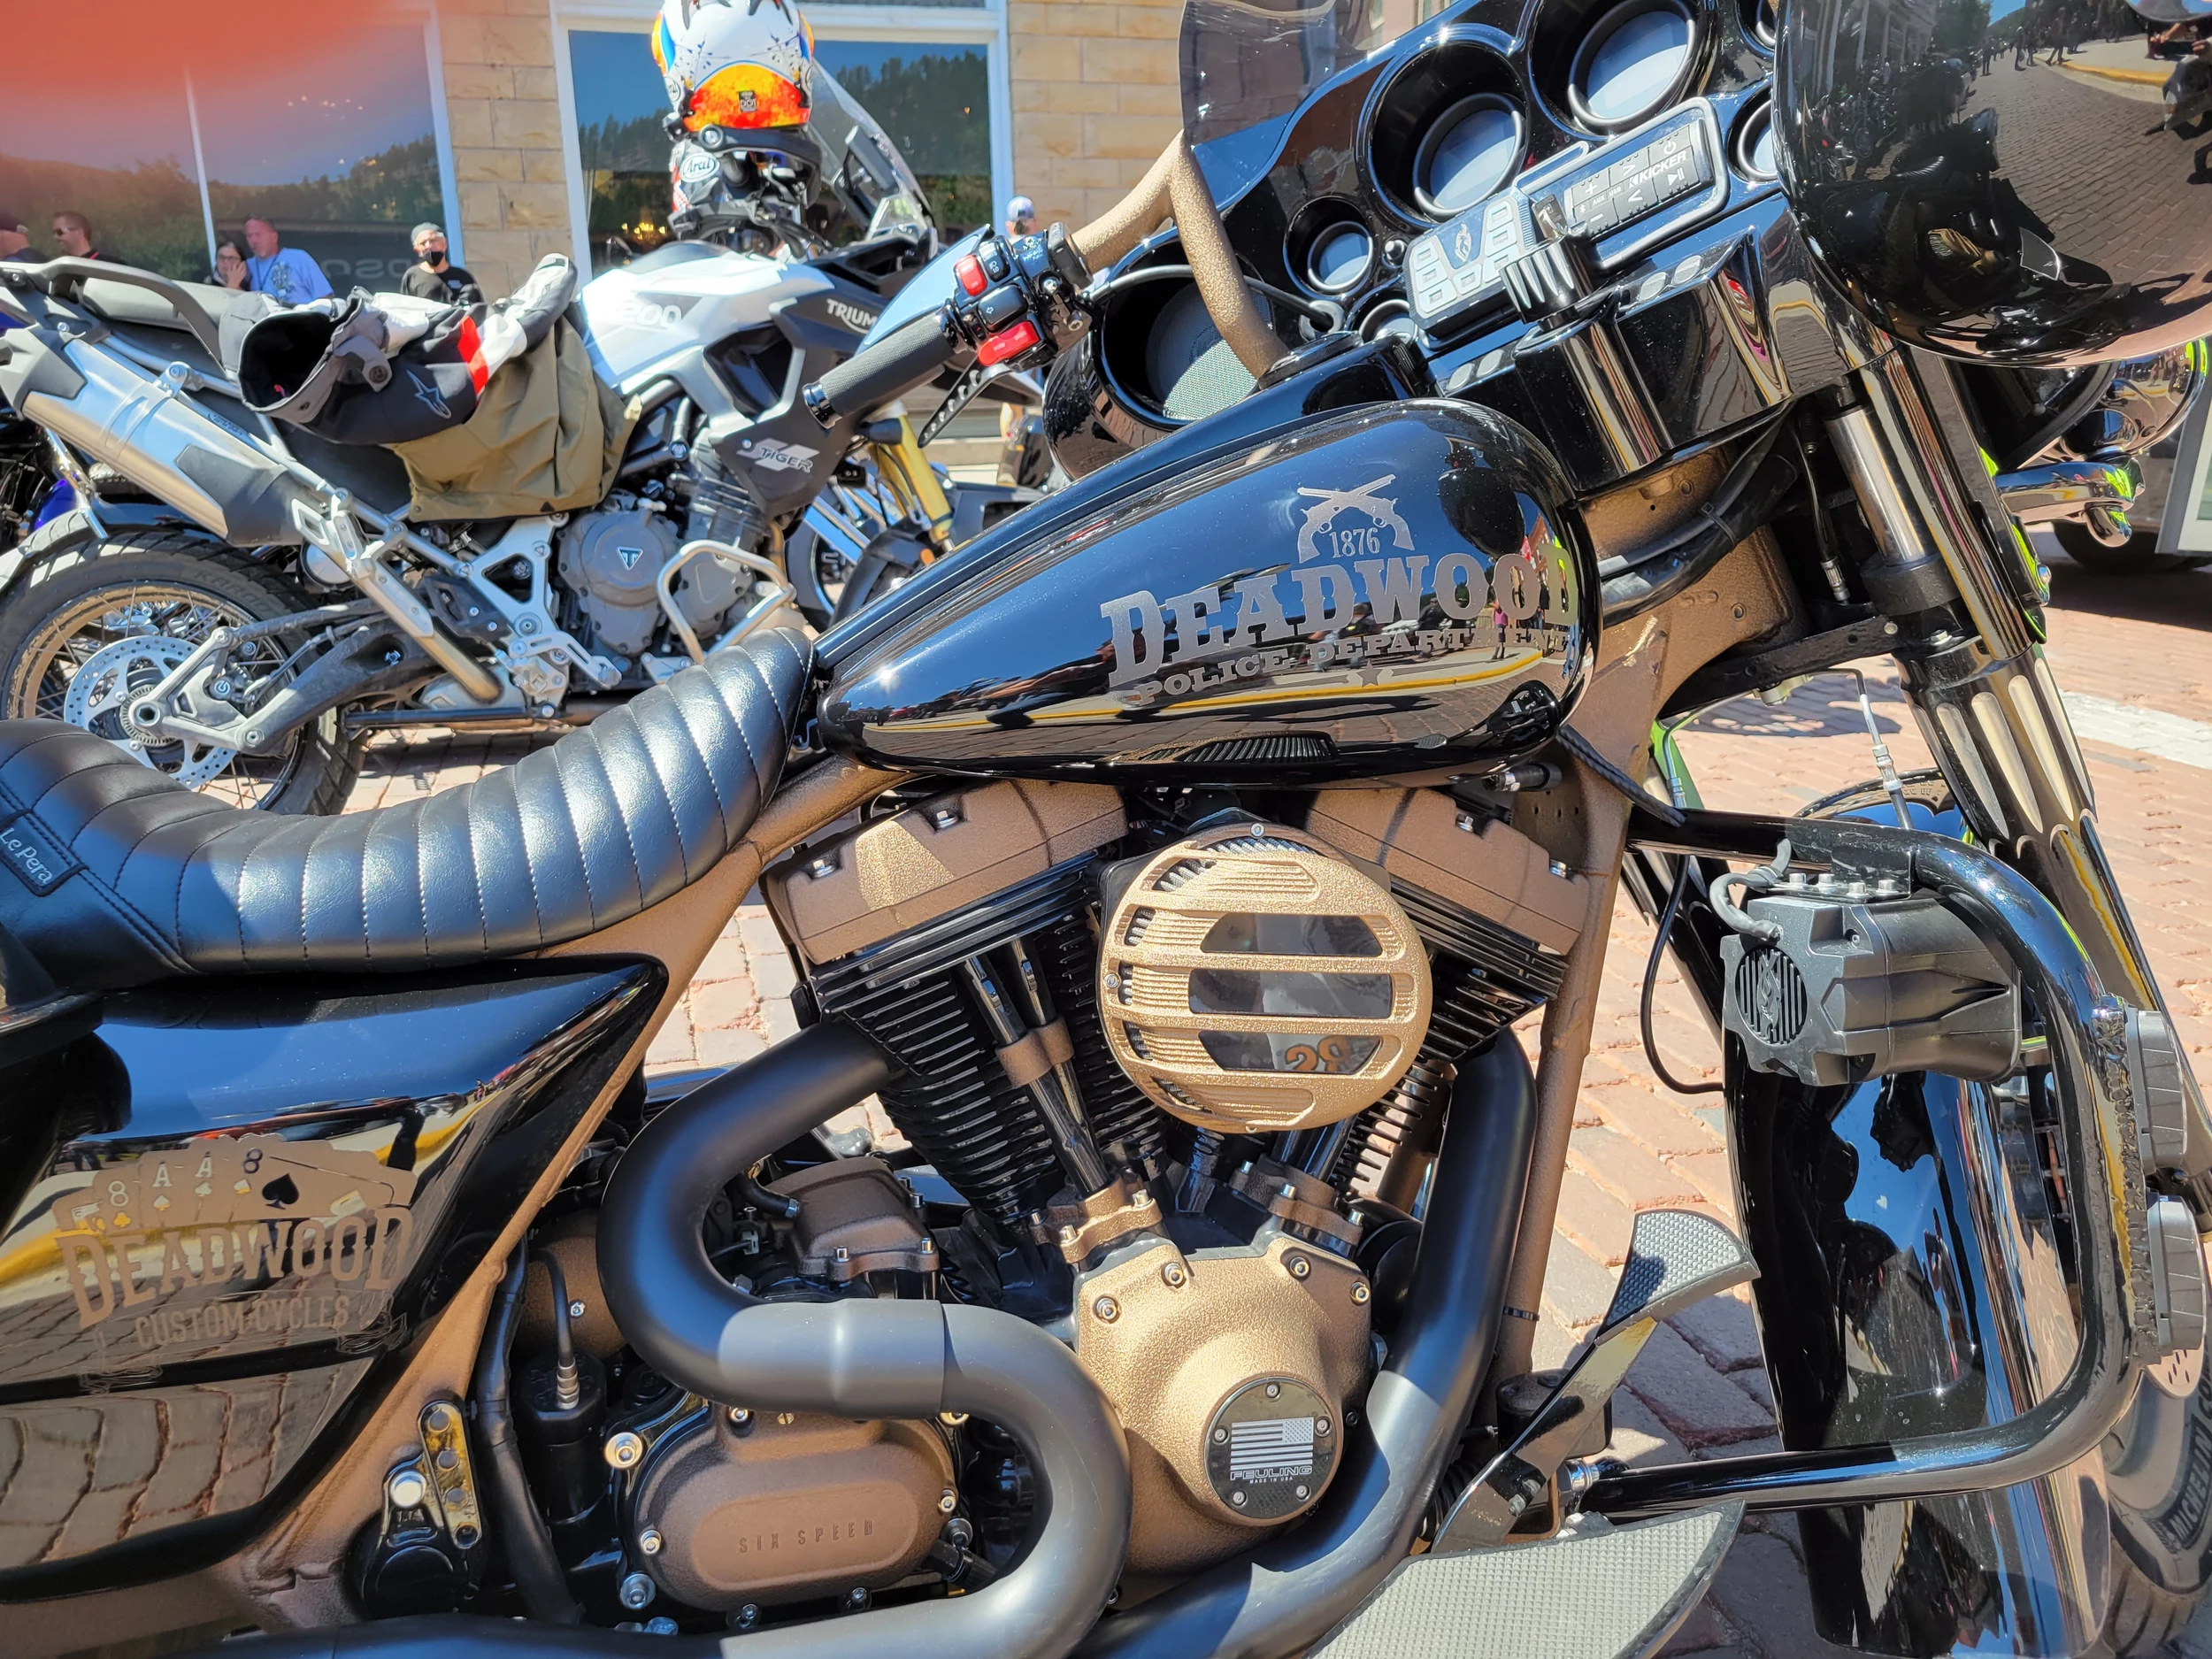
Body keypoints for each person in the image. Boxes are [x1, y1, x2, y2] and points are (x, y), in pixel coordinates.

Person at [242, 217, 332, 305]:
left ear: (274, 237)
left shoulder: (299, 257)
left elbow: (325, 297)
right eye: (249, 236)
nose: (254, 241)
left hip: (300, 318)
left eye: (258, 234)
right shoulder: (246, 267)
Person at [399, 222, 483, 305]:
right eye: (423, 243)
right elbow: (406, 311)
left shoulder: (462, 277)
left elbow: (477, 313)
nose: (429, 246)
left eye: (433, 240)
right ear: (417, 250)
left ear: (444, 244)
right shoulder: (412, 276)